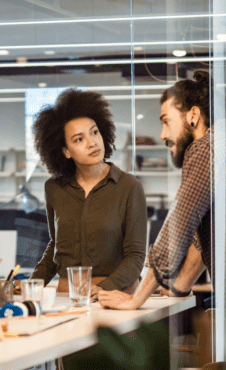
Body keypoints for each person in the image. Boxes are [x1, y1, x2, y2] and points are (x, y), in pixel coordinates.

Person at [99, 70, 214, 310]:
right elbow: (202, 237)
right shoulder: (223, 143)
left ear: (193, 115)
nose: (163, 135)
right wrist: (179, 287)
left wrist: (136, 298)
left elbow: (178, 228)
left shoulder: (205, 148)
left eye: (166, 121)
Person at [30, 89, 147, 296]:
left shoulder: (129, 186)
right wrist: (31, 285)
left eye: (94, 132)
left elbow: (136, 256)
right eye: (78, 139)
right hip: (66, 297)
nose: (92, 143)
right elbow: (56, 246)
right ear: (65, 151)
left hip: (114, 295)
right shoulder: (54, 188)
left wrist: (102, 290)